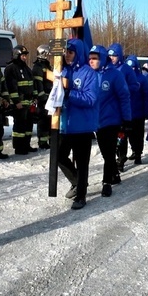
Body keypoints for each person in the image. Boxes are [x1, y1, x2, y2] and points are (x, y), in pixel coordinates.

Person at [57, 39, 99, 209]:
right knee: (59, 156)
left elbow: (91, 98)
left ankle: (81, 196)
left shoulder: (89, 73)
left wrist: (69, 94)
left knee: (82, 162)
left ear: (78, 53)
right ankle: (77, 182)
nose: (67, 55)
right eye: (65, 52)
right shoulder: (63, 71)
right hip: (65, 124)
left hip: (82, 126)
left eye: (71, 52)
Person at [92, 45, 130, 196]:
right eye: (90, 58)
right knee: (105, 152)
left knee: (108, 153)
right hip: (96, 121)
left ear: (102, 59)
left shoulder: (115, 75)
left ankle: (106, 182)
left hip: (111, 120)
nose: (91, 61)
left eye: (94, 59)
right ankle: (115, 174)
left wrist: (127, 119)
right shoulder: (90, 74)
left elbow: (124, 97)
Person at [106, 43, 140, 171]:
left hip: (122, 106)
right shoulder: (106, 68)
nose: (112, 58)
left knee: (121, 134)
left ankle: (121, 159)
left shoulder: (126, 69)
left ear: (119, 56)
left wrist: (122, 88)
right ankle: (114, 157)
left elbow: (135, 85)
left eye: (114, 56)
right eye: (109, 55)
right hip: (109, 108)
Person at [3, 45, 38, 155]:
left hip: (28, 102)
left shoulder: (26, 68)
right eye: (22, 55)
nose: (25, 58)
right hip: (19, 103)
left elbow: (32, 84)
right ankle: (19, 148)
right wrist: (16, 101)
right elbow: (11, 87)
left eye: (25, 56)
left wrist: (34, 97)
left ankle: (26, 145)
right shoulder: (11, 68)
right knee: (19, 126)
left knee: (28, 125)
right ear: (16, 55)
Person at [124, 55, 148, 165]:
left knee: (138, 135)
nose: (131, 70)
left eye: (133, 67)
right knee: (129, 134)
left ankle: (138, 153)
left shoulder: (142, 79)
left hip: (138, 112)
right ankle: (134, 150)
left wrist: (146, 110)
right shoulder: (123, 78)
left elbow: (147, 95)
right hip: (127, 112)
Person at [32, 44, 53, 149]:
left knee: (49, 120)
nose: (49, 57)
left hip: (49, 97)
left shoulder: (47, 66)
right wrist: (42, 97)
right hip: (43, 98)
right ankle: (42, 142)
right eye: (48, 54)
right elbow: (38, 84)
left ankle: (49, 139)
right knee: (43, 120)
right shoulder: (38, 67)